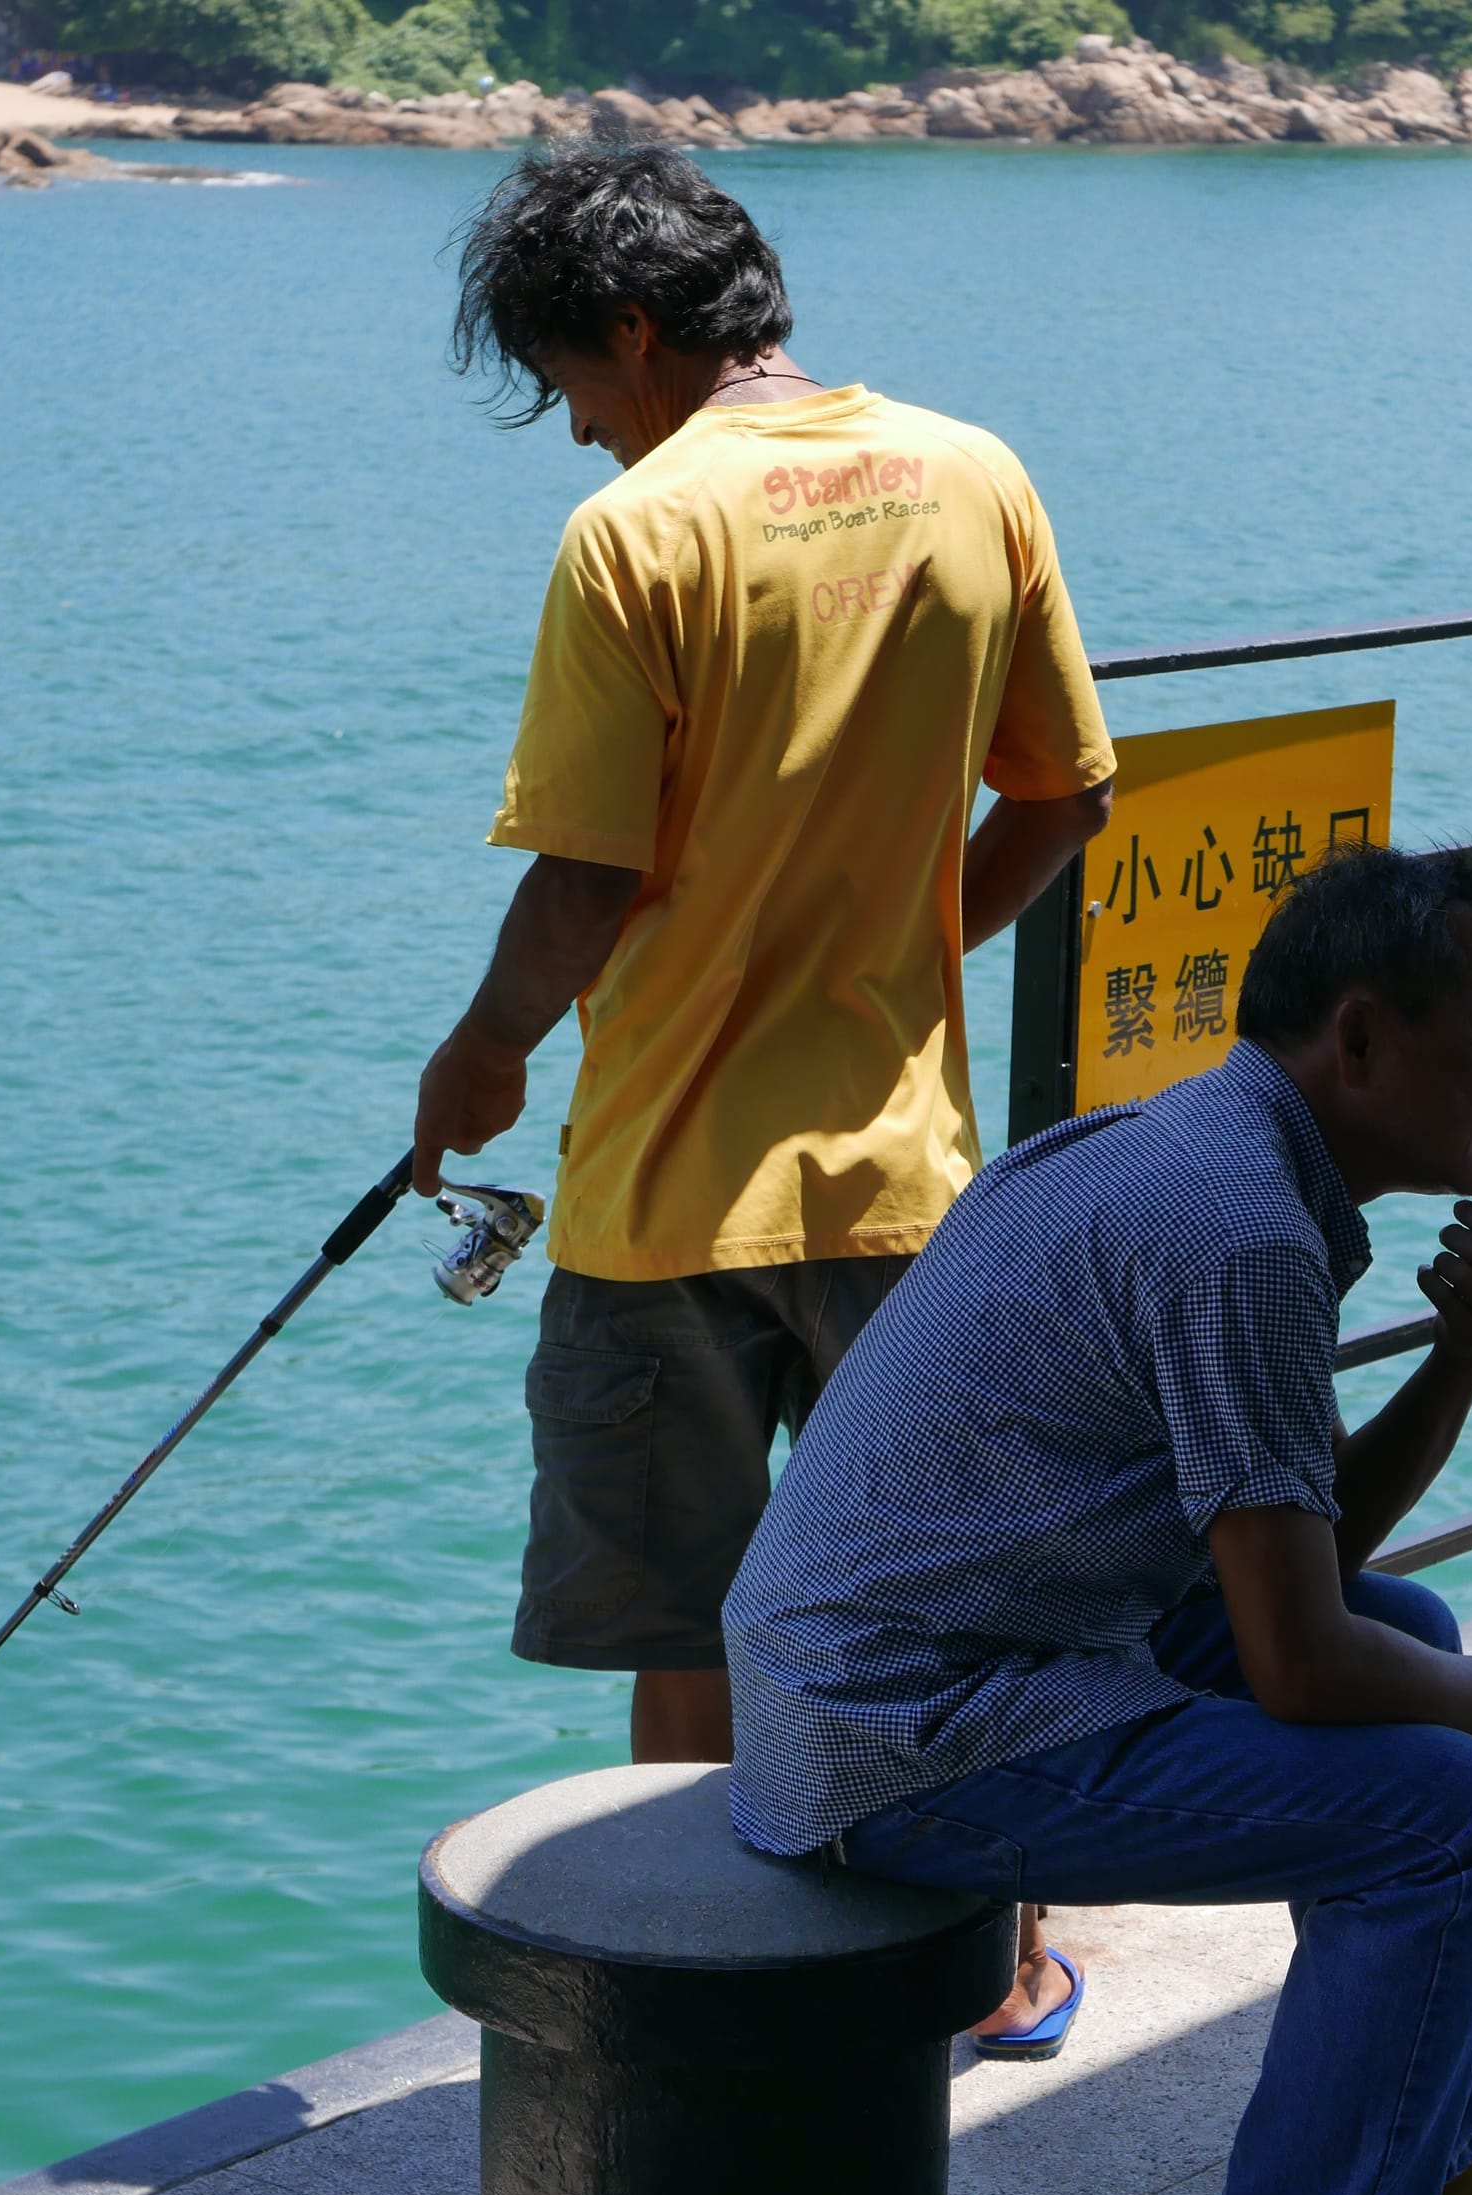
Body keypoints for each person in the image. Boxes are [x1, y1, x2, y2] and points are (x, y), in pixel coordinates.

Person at [724, 841, 1472, 2195]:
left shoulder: (1203, 1152)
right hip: (898, 1725)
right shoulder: (1235, 1233)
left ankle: (1415, 2172)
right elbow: (1297, 1666)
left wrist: (1466, 1352)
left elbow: (1315, 1569)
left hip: (934, 1645)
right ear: (1356, 1042)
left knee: (1408, 1636)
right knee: (1446, 1814)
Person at [410, 143, 1115, 2050]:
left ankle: (718, 2003)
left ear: (636, 335)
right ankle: (1006, 1959)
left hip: (665, 1198)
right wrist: (908, 955)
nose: (579, 435)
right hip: (912, 1182)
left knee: (686, 1628)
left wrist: (479, 1057)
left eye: (573, 387)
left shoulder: (639, 535)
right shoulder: (976, 473)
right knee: (944, 1605)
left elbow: (582, 873)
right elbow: (1068, 795)